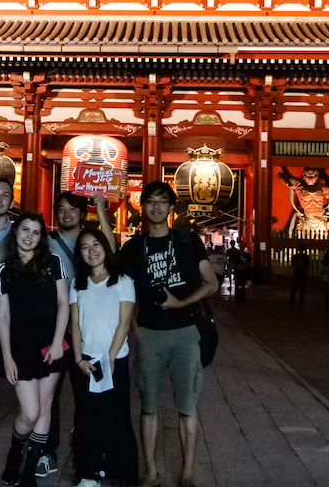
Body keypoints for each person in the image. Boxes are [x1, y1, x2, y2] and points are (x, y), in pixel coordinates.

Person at [101, 181, 218, 487]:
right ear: (143, 206)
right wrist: (102, 213)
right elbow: (110, 264)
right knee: (149, 405)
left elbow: (211, 282)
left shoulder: (187, 241)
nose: (156, 207)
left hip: (185, 333)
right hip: (150, 335)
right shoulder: (135, 248)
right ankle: (151, 472)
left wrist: (181, 302)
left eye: (162, 201)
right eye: (150, 201)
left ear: (170, 207)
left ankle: (188, 473)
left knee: (187, 405)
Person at [0, 211, 70, 487]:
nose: (29, 236)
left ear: (41, 237)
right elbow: (2, 316)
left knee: (45, 407)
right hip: (20, 346)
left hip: (52, 342)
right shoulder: (3, 269)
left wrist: (57, 341)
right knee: (29, 411)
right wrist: (7, 356)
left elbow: (64, 303)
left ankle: (29, 470)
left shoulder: (54, 262)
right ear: (16, 233)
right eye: (25, 230)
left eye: (36, 232)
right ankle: (16, 451)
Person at [68, 228, 139, 487]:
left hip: (114, 361)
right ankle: (88, 473)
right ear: (80, 254)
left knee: (117, 416)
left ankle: (125, 473)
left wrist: (109, 358)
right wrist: (78, 359)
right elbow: (75, 324)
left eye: (96, 244)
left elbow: (124, 323)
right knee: (87, 417)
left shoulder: (122, 281)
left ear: (105, 248)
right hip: (86, 362)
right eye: (85, 247)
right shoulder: (78, 284)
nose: (91, 251)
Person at [35, 191, 90, 479]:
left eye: (73, 209)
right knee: (49, 395)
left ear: (83, 213)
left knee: (85, 396)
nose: (66, 213)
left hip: (83, 329)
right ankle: (47, 451)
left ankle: (84, 455)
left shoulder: (91, 243)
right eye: (61, 209)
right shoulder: (47, 242)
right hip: (54, 329)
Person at [277, 166, 329, 239]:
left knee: (321, 244)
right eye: (308, 176)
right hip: (306, 221)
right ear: (304, 176)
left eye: (313, 176)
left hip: (321, 221)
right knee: (304, 244)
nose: (310, 179)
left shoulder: (323, 188)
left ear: (317, 176)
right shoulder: (298, 186)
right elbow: (280, 175)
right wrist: (289, 185)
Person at [289, 244, 311, 309]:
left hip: (302, 274)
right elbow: (293, 265)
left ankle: (300, 303)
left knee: (301, 289)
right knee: (294, 289)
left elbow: (308, 266)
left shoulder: (305, 257)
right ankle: (292, 303)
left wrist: (301, 265)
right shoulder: (296, 256)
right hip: (297, 274)